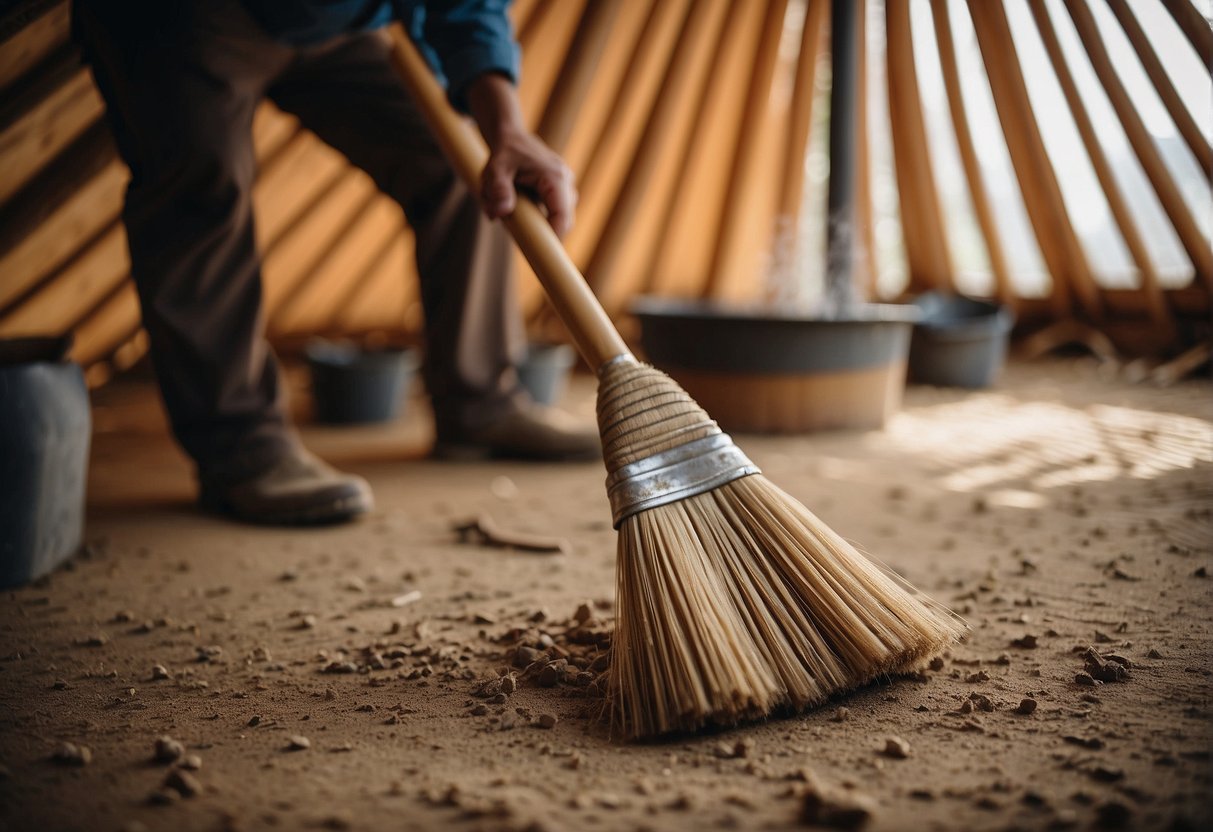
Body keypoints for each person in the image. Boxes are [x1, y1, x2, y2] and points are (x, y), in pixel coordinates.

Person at [72, 0, 600, 525]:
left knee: (461, 162)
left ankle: (480, 404)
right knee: (200, 190)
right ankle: (241, 447)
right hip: (189, 14)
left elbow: (467, 5)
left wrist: (506, 129)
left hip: (335, 22)